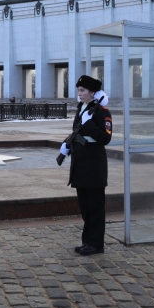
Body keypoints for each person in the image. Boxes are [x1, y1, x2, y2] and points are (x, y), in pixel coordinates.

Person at [59, 75, 112, 256]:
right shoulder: (82, 108)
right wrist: (67, 144)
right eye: (79, 90)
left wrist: (89, 123)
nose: (79, 94)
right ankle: (87, 240)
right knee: (85, 207)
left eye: (83, 91)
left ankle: (97, 244)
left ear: (93, 92)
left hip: (94, 165)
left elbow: (105, 138)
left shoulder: (102, 112)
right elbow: (76, 132)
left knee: (96, 207)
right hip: (80, 163)